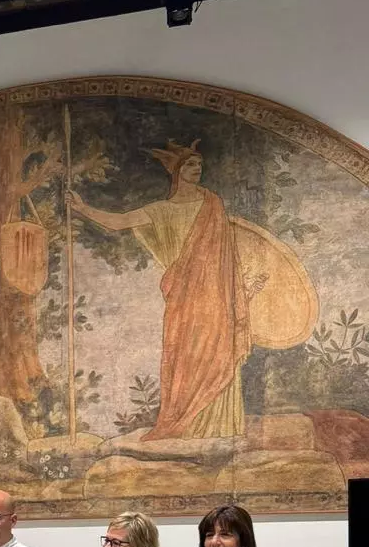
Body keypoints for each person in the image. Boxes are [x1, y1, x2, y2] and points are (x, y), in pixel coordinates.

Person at [69, 140, 268, 441]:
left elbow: (227, 257)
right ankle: (183, 423)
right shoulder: (162, 210)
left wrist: (241, 288)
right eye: (189, 164)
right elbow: (120, 221)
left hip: (215, 296)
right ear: (176, 171)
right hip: (184, 298)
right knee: (185, 357)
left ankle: (217, 427)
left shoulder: (212, 205)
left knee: (216, 353)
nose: (196, 169)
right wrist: (83, 208)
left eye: (199, 164)